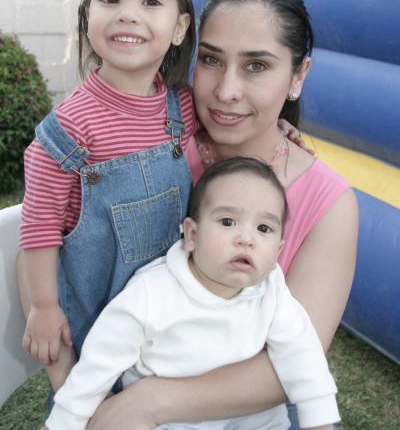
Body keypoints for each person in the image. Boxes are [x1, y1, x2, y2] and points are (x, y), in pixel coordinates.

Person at [85, 0, 358, 430]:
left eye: (256, 66)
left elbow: (293, 359)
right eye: (211, 59)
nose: (226, 90)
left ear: (298, 76)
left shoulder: (327, 204)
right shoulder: (152, 145)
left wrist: (146, 403)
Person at [17, 0, 197, 392]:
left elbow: (228, 145)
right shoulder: (68, 131)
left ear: (179, 27)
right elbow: (37, 232)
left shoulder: (183, 110)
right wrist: (43, 307)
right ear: (88, 15)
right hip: (102, 333)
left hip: (174, 325)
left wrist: (281, 131)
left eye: (151, 1)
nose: (128, 13)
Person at [45, 157, 339, 430]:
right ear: (192, 235)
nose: (246, 239)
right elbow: (100, 361)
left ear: (277, 251)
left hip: (253, 422)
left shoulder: (271, 290)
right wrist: (64, 421)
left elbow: (303, 354)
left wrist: (320, 420)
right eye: (227, 222)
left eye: (264, 228)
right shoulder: (153, 292)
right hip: (174, 423)